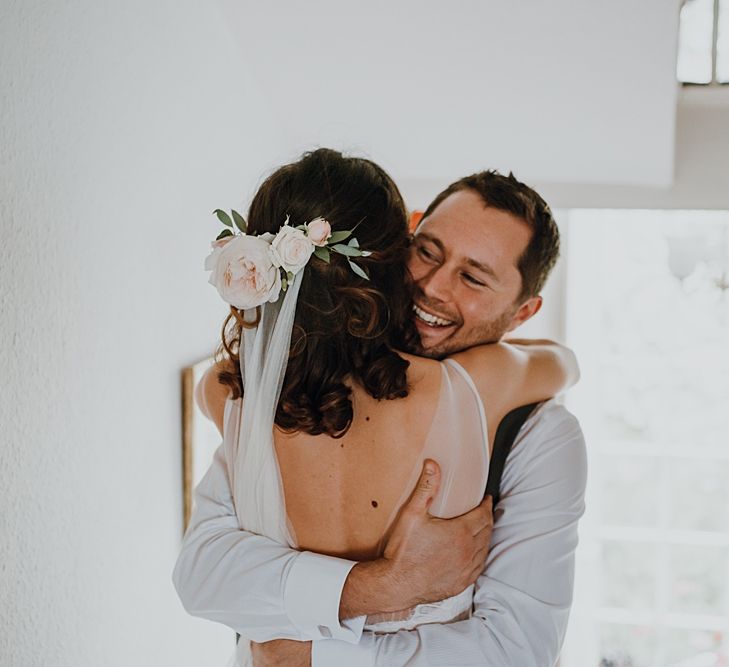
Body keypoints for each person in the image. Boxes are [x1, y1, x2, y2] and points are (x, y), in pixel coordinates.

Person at [173, 149, 587, 667]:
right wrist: (385, 584)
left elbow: (517, 652)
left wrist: (307, 658)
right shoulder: (479, 387)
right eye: (428, 252)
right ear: (393, 252)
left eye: (474, 278)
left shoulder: (233, 393)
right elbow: (202, 576)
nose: (434, 288)